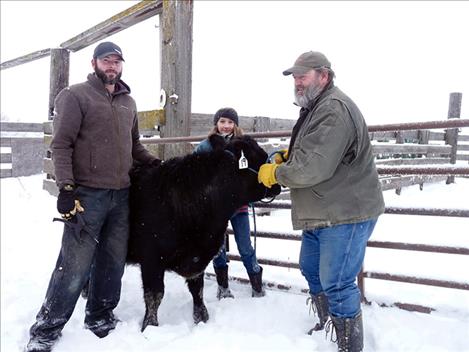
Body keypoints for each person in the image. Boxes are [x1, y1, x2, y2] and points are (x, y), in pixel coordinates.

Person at [25, 41, 160, 352]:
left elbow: (134, 145)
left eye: (116, 61)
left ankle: (100, 316)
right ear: (94, 63)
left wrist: (154, 163)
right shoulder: (76, 96)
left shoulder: (129, 103)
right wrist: (66, 188)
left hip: (121, 196)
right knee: (74, 264)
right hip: (86, 195)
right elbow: (61, 145)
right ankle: (46, 328)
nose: (111, 66)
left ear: (122, 65)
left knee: (113, 262)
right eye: (106, 61)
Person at [258, 51, 384, 352]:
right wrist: (290, 156)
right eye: (295, 77)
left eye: (303, 76)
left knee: (338, 282)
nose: (297, 82)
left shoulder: (333, 110)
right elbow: (315, 152)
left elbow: (312, 168)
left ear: (323, 76)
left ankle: (349, 346)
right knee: (311, 268)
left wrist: (276, 172)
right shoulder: (317, 107)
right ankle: (329, 322)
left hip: (345, 212)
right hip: (323, 208)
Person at [194, 107, 265, 299]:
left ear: (235, 125)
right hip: (216, 209)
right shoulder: (205, 146)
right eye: (222, 122)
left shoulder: (244, 146)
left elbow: (254, 169)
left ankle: (257, 285)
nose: (226, 126)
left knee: (245, 246)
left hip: (239, 206)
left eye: (230, 122)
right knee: (218, 249)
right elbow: (194, 171)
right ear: (216, 123)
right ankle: (223, 286)